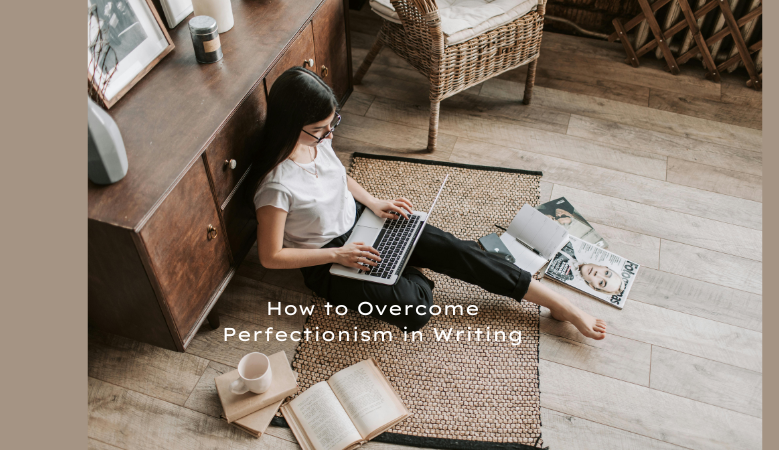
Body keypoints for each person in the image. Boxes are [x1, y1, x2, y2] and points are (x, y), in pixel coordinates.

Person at [246, 67, 607, 340]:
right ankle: (408, 264)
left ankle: (561, 305)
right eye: (322, 128)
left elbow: (338, 176)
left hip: (360, 220)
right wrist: (337, 256)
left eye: (331, 124)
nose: (330, 134)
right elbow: (270, 257)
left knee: (461, 252)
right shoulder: (276, 186)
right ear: (294, 123)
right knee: (415, 311)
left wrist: (374, 202)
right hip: (328, 258)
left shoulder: (316, 142)